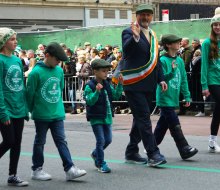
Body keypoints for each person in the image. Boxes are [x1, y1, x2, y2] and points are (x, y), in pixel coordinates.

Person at [26, 42, 87, 181]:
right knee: (40, 142)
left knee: (61, 141)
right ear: (47, 55)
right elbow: (29, 94)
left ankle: (70, 169)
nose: (59, 63)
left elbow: (59, 89)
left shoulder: (59, 71)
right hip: (42, 114)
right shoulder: (35, 73)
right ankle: (36, 169)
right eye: (57, 60)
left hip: (57, 113)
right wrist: (28, 111)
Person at [121, 4, 167, 167]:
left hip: (149, 84)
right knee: (144, 119)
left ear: (152, 17)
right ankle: (153, 153)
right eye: (142, 15)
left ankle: (132, 151)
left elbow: (156, 61)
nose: (145, 18)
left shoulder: (153, 35)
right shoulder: (128, 31)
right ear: (137, 16)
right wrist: (135, 38)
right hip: (134, 84)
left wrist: (161, 79)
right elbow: (126, 51)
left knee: (139, 119)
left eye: (148, 15)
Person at [153, 34, 198, 160]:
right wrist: (172, 72)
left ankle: (151, 147)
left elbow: (183, 79)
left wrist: (187, 96)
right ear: (168, 45)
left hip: (173, 97)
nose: (179, 43)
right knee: (174, 124)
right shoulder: (162, 60)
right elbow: (161, 78)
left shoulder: (179, 60)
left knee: (162, 126)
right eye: (176, 42)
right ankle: (184, 148)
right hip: (164, 97)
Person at [0, 27, 29, 186]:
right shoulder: (0, 60)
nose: (15, 42)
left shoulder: (17, 60)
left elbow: (21, 87)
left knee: (17, 142)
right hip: (6, 109)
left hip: (19, 108)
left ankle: (12, 175)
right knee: (9, 141)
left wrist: (25, 108)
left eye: (16, 38)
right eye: (12, 39)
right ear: (3, 42)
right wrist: (3, 112)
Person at [84, 59, 123, 173]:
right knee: (100, 140)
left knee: (108, 140)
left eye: (107, 71)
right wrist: (96, 92)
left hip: (107, 116)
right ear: (95, 71)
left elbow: (115, 96)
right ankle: (100, 163)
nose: (106, 73)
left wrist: (120, 84)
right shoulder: (89, 86)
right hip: (96, 117)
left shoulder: (107, 84)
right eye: (103, 71)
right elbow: (90, 101)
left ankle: (95, 153)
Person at [201, 7, 220, 153]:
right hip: (213, 81)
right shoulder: (207, 43)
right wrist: (204, 85)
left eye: (219, 24)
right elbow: (204, 66)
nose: (217, 27)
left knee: (218, 110)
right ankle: (212, 141)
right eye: (215, 25)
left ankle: (212, 141)